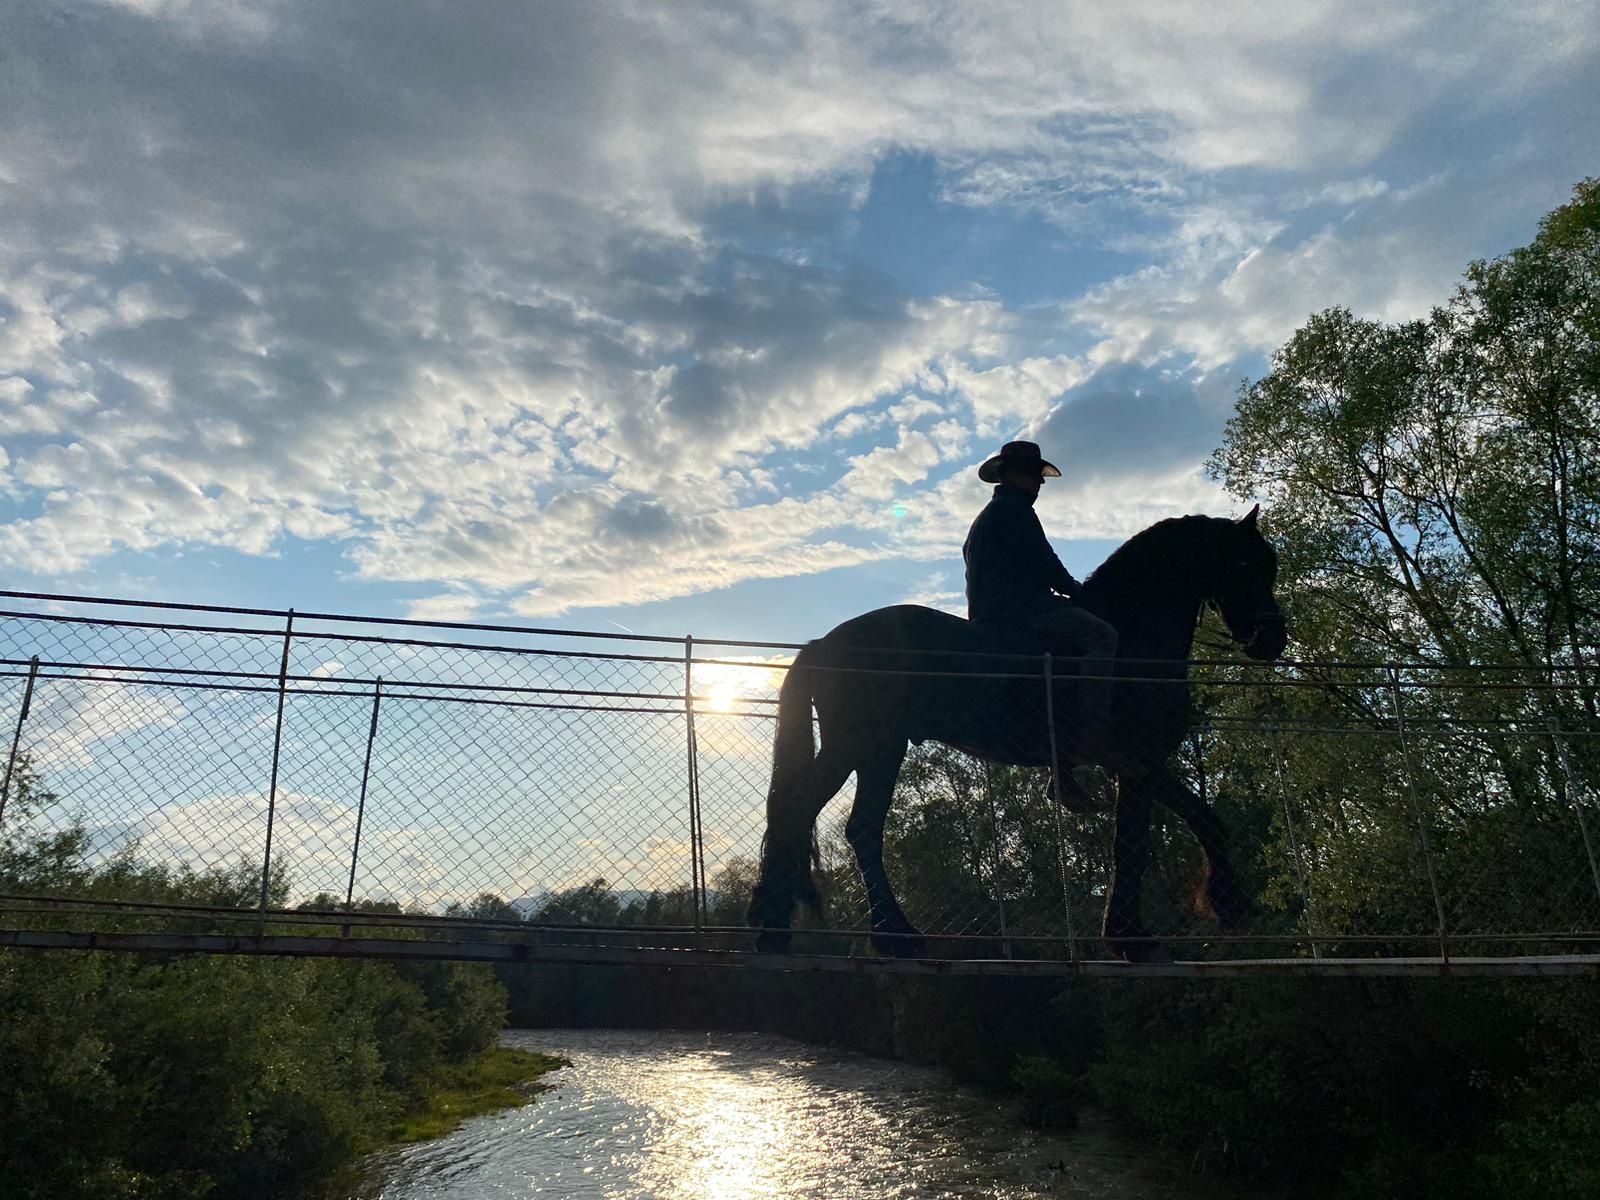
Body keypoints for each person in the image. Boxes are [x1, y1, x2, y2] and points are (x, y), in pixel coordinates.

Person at [962, 441, 1128, 774]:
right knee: (1101, 636)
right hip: (1021, 609)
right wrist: (1080, 594)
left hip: (996, 608)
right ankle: (1094, 737)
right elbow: (1046, 564)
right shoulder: (1015, 511)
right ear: (1014, 475)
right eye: (1035, 476)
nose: (1040, 484)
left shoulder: (994, 514)